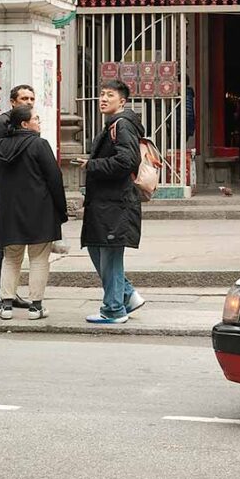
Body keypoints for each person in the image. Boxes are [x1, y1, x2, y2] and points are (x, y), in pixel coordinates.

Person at [0, 106, 68, 321]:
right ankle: (36, 307)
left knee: (11, 258)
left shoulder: (1, 146)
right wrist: (61, 211)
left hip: (9, 212)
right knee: (39, 259)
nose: (39, 123)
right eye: (36, 119)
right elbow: (55, 179)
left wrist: (1, 208)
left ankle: (6, 305)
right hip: (39, 212)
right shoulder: (39, 145)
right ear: (24, 124)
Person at [78, 78, 146, 325]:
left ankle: (114, 309)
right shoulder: (113, 125)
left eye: (110, 95)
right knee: (99, 251)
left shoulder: (122, 125)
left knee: (109, 256)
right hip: (106, 203)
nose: (103, 99)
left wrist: (91, 164)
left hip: (116, 204)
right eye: (102, 94)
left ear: (123, 101)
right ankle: (126, 295)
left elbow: (127, 161)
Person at [0, 84, 37, 313]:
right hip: (6, 193)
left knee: (16, 244)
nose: (29, 102)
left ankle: (8, 292)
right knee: (7, 242)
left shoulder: (27, 124)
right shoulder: (0, 123)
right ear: (13, 102)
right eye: (24, 98)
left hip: (23, 193)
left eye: (32, 98)